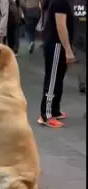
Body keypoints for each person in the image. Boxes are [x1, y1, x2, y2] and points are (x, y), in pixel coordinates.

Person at [38, 0, 75, 128]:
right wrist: (68, 50)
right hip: (56, 45)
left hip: (58, 45)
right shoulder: (60, 1)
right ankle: (46, 115)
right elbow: (61, 26)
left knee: (58, 78)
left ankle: (54, 110)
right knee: (53, 80)